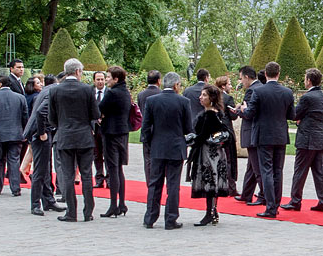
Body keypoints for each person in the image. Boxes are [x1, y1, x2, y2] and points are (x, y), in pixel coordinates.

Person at [49, 58, 102, 222]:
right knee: (86, 175)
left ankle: (71, 212)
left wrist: (63, 125)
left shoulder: (55, 90)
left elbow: (52, 118)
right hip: (84, 137)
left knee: (68, 175)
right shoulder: (87, 89)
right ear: (78, 71)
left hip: (65, 136)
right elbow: (95, 114)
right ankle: (88, 212)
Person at [140, 71, 194, 229]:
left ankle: (150, 217)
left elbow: (146, 126)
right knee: (173, 185)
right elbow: (188, 128)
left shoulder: (151, 101)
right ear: (176, 85)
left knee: (154, 184)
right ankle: (170, 219)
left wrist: (149, 145)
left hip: (157, 146)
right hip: (176, 148)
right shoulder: (183, 101)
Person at [246, 61, 295, 218]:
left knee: (266, 170)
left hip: (264, 135)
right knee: (277, 171)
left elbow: (250, 114)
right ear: (278, 74)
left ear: (265, 74)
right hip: (280, 135)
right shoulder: (287, 92)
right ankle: (276, 203)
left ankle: (270, 206)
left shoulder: (259, 92)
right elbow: (291, 115)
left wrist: (242, 110)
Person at [188, 83, 234, 225]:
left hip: (209, 154)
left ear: (212, 98)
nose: (200, 97)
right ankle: (212, 211)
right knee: (212, 181)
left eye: (204, 95)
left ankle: (210, 212)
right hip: (212, 153)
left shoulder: (210, 115)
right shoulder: (215, 114)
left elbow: (202, 136)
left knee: (210, 181)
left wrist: (190, 139)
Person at [285, 67, 323, 212]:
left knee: (300, 171)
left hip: (307, 139)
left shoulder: (307, 97)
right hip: (320, 138)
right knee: (320, 172)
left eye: (305, 78)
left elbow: (295, 114)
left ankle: (295, 201)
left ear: (309, 80)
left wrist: (298, 118)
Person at [22, 74, 66, 216]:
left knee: (46, 168)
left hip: (43, 130)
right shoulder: (54, 91)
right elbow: (41, 112)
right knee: (41, 169)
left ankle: (48, 200)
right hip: (40, 133)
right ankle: (36, 203)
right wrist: (42, 133)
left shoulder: (49, 89)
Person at [99, 65, 133, 217]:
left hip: (111, 133)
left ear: (116, 78)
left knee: (112, 168)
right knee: (119, 169)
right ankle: (121, 203)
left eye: (108, 78)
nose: (106, 80)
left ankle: (113, 205)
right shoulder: (126, 92)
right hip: (123, 133)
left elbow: (99, 107)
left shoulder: (112, 93)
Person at [0, 76, 29, 197]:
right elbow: (25, 117)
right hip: (15, 133)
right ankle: (15, 188)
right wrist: (24, 132)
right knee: (14, 160)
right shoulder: (20, 98)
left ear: (0, 84)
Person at [234, 66, 262, 203]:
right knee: (252, 166)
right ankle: (247, 193)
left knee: (256, 166)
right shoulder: (259, 87)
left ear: (246, 77)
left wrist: (239, 111)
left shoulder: (252, 90)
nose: (241, 82)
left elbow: (249, 113)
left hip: (252, 132)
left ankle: (264, 194)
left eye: (241, 78)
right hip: (256, 132)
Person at [89, 69, 109, 191]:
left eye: (102, 79)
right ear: (94, 80)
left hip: (107, 129)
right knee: (96, 155)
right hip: (94, 129)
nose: (100, 82)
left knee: (107, 155)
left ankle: (109, 179)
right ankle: (99, 179)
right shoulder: (90, 93)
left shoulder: (109, 92)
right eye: (98, 79)